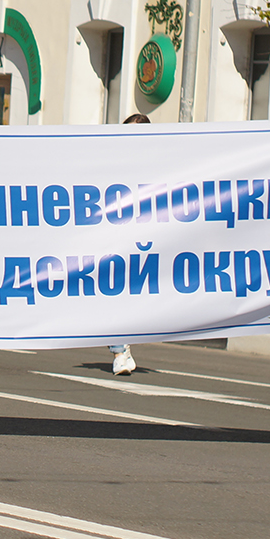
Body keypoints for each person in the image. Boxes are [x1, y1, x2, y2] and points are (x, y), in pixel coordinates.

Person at [104, 112, 153, 376]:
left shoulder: (155, 164)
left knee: (135, 293)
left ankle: (125, 347)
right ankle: (119, 351)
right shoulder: (114, 162)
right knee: (115, 291)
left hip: (144, 238)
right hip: (116, 235)